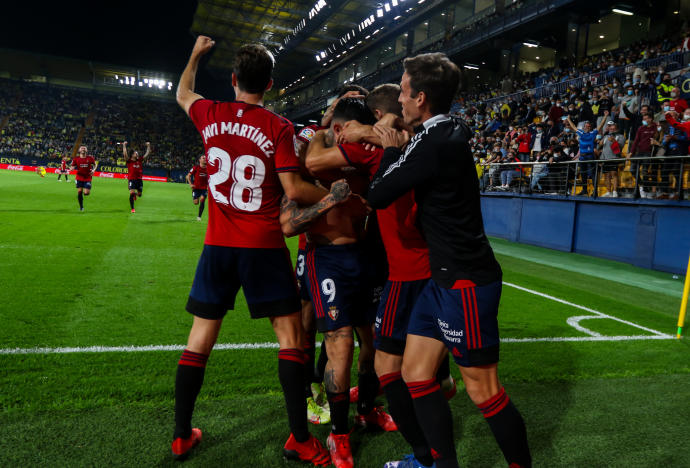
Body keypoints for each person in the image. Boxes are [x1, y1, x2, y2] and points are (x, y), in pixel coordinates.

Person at [172, 36, 341, 466]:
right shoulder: (278, 126)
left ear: (233, 80)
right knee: (289, 339)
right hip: (263, 245)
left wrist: (195, 55)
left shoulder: (210, 113)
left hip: (218, 246)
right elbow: (291, 189)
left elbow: (183, 92)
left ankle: (180, 435)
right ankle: (300, 440)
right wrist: (330, 195)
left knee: (199, 340)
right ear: (268, 84)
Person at [367, 52, 531, 468]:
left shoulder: (434, 142)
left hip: (466, 281)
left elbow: (378, 195)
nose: (400, 100)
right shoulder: (447, 128)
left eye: (403, 92)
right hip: (440, 280)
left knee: (483, 389)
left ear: (420, 98)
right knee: (416, 373)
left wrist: (387, 148)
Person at [305, 98, 397, 468]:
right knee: (339, 344)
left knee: (371, 340)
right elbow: (306, 168)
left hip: (366, 255)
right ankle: (338, 434)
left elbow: (395, 126)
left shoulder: (362, 150)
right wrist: (327, 126)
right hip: (326, 257)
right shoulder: (315, 150)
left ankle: (366, 410)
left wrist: (367, 132)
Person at [564, 112, 607, 196]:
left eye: (589, 126)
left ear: (590, 127)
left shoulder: (593, 133)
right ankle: (584, 190)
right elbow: (573, 126)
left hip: (590, 156)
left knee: (593, 174)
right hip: (582, 157)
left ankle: (595, 192)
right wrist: (568, 119)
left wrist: (605, 116)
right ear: (584, 127)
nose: (588, 127)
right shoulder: (581, 132)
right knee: (583, 174)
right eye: (586, 126)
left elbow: (601, 125)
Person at [598, 120, 625, 197]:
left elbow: (620, 148)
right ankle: (608, 192)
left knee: (614, 174)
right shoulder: (606, 136)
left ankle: (615, 191)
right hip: (605, 159)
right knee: (606, 176)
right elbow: (602, 148)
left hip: (614, 158)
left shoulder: (621, 136)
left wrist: (614, 141)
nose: (610, 128)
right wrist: (599, 144)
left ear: (616, 127)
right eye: (609, 126)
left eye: (612, 126)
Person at [123, 141, 150, 213]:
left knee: (140, 195)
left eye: (137, 153)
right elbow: (125, 154)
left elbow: (147, 154)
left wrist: (148, 146)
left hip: (139, 180)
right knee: (131, 193)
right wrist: (124, 146)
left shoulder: (140, 160)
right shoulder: (129, 161)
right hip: (132, 180)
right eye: (136, 153)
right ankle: (132, 208)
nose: (137, 154)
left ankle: (135, 195)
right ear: (132, 155)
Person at [70, 145, 98, 212]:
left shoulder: (90, 158)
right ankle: (81, 207)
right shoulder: (76, 159)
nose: (83, 149)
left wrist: (93, 170)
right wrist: (72, 168)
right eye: (82, 148)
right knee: (79, 192)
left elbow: (95, 164)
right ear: (79, 150)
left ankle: (86, 190)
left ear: (86, 150)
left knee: (86, 193)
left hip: (88, 177)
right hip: (79, 177)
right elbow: (72, 166)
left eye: (84, 148)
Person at [186, 155, 209, 221]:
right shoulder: (195, 168)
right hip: (196, 188)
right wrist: (191, 184)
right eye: (203, 158)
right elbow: (188, 176)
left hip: (204, 188)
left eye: (205, 158)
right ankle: (194, 194)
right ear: (199, 160)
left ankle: (199, 217)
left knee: (202, 199)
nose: (205, 159)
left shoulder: (209, 169)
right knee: (196, 203)